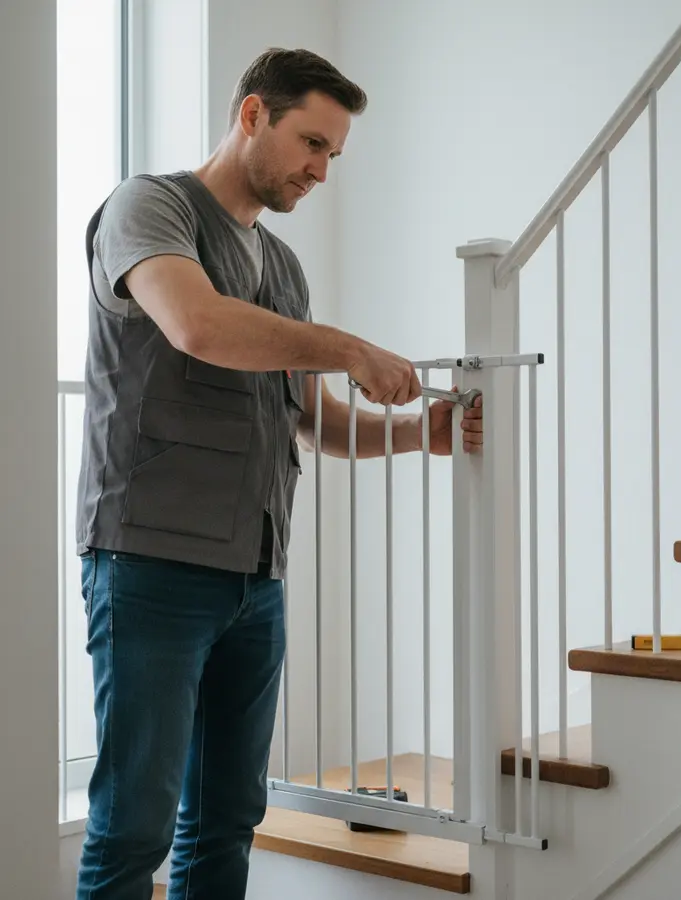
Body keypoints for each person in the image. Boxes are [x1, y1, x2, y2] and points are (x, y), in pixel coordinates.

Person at [74, 47, 483, 900]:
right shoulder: (149, 207)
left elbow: (311, 420)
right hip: (147, 565)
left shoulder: (285, 269)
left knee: (226, 820)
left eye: (334, 153)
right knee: (132, 829)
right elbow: (196, 325)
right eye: (311, 143)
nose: (321, 170)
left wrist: (420, 434)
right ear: (252, 114)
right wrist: (348, 347)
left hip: (255, 578)